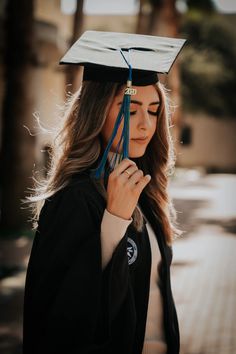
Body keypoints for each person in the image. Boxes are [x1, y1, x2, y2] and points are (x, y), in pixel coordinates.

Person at [23, 31, 186, 354]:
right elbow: (61, 315)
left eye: (154, 111)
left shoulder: (145, 190)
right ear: (97, 111)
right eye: (130, 108)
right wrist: (114, 220)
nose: (145, 125)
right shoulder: (75, 197)